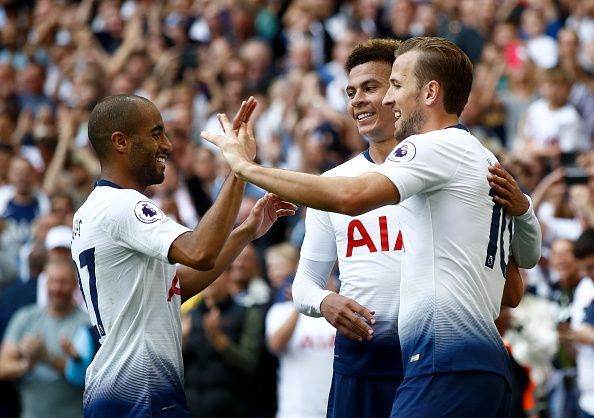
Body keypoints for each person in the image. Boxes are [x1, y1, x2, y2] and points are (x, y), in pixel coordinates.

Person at [202, 37, 542, 417]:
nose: (363, 100)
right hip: (381, 364)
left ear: (427, 91)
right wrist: (322, 300)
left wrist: (247, 169)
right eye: (351, 91)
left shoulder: (426, 155)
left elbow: (351, 197)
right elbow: (512, 282)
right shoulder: (479, 161)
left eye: (383, 86)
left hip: (438, 360)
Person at [70, 94, 296, 417]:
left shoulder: (91, 210)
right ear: (121, 142)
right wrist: (239, 168)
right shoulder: (124, 206)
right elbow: (199, 252)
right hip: (142, 395)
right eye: (155, 133)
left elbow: (176, 287)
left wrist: (246, 231)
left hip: (113, 393)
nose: (167, 145)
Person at [0, 258, 89, 418]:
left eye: (63, 282)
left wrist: (46, 357)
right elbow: (3, 367)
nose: (57, 288)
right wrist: (26, 364)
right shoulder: (25, 318)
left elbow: (89, 377)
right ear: (45, 284)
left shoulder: (86, 323)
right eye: (53, 281)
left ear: (75, 285)